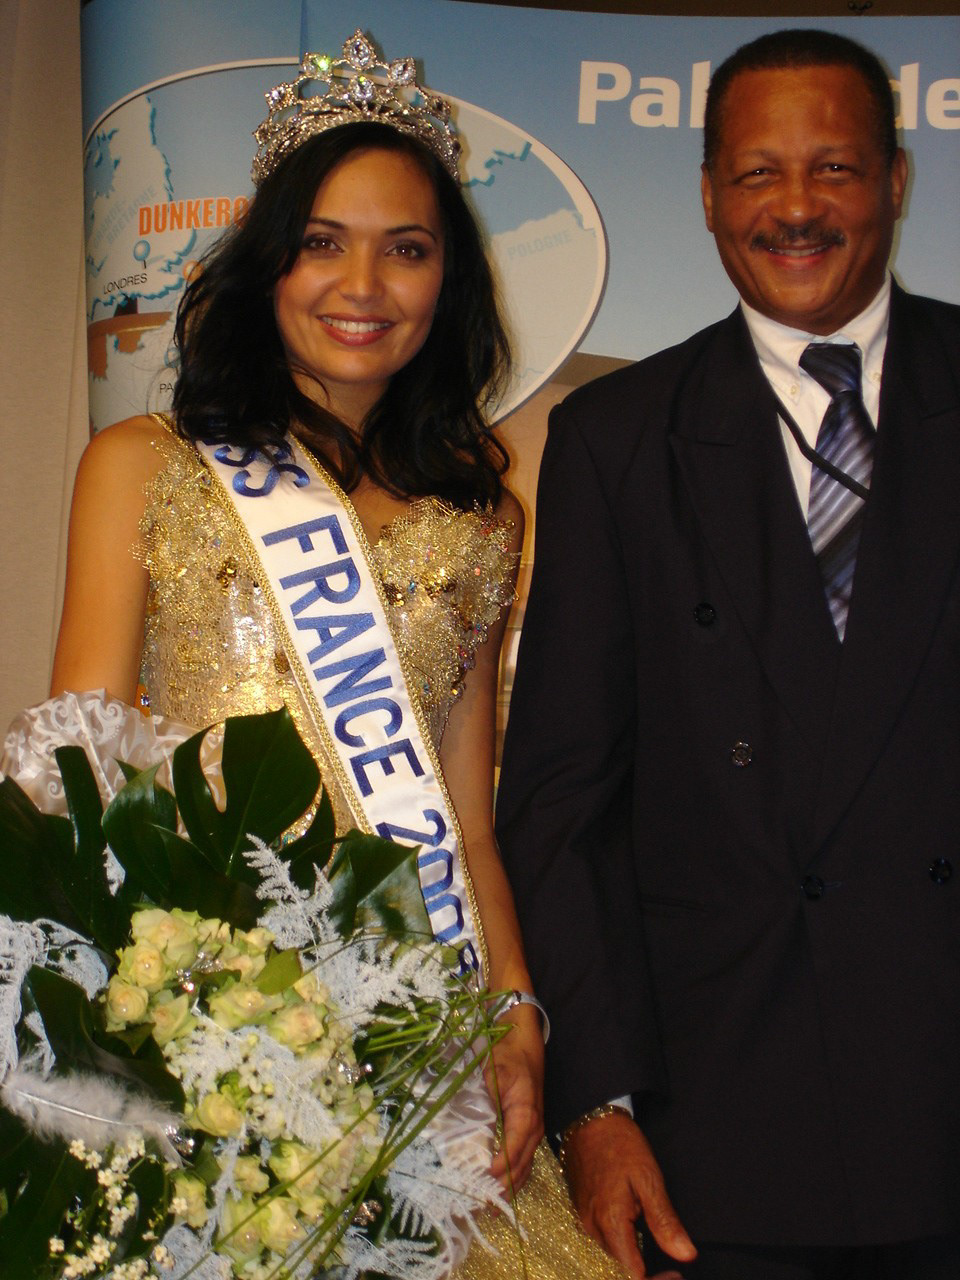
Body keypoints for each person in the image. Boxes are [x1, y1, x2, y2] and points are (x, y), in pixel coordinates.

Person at [45, 30, 624, 1280]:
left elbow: (469, 822)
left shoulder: (479, 520)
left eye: (406, 248)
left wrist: (516, 1010)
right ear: (266, 265)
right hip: (202, 1021)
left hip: (420, 1031)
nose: (363, 283)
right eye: (322, 240)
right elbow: (78, 768)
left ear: (448, 281)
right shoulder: (144, 466)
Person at [496, 27, 960, 1280]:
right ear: (707, 194)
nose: (796, 208)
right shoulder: (615, 437)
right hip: (722, 1130)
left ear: (897, 183)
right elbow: (560, 801)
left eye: (836, 169)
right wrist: (598, 1107)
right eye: (758, 174)